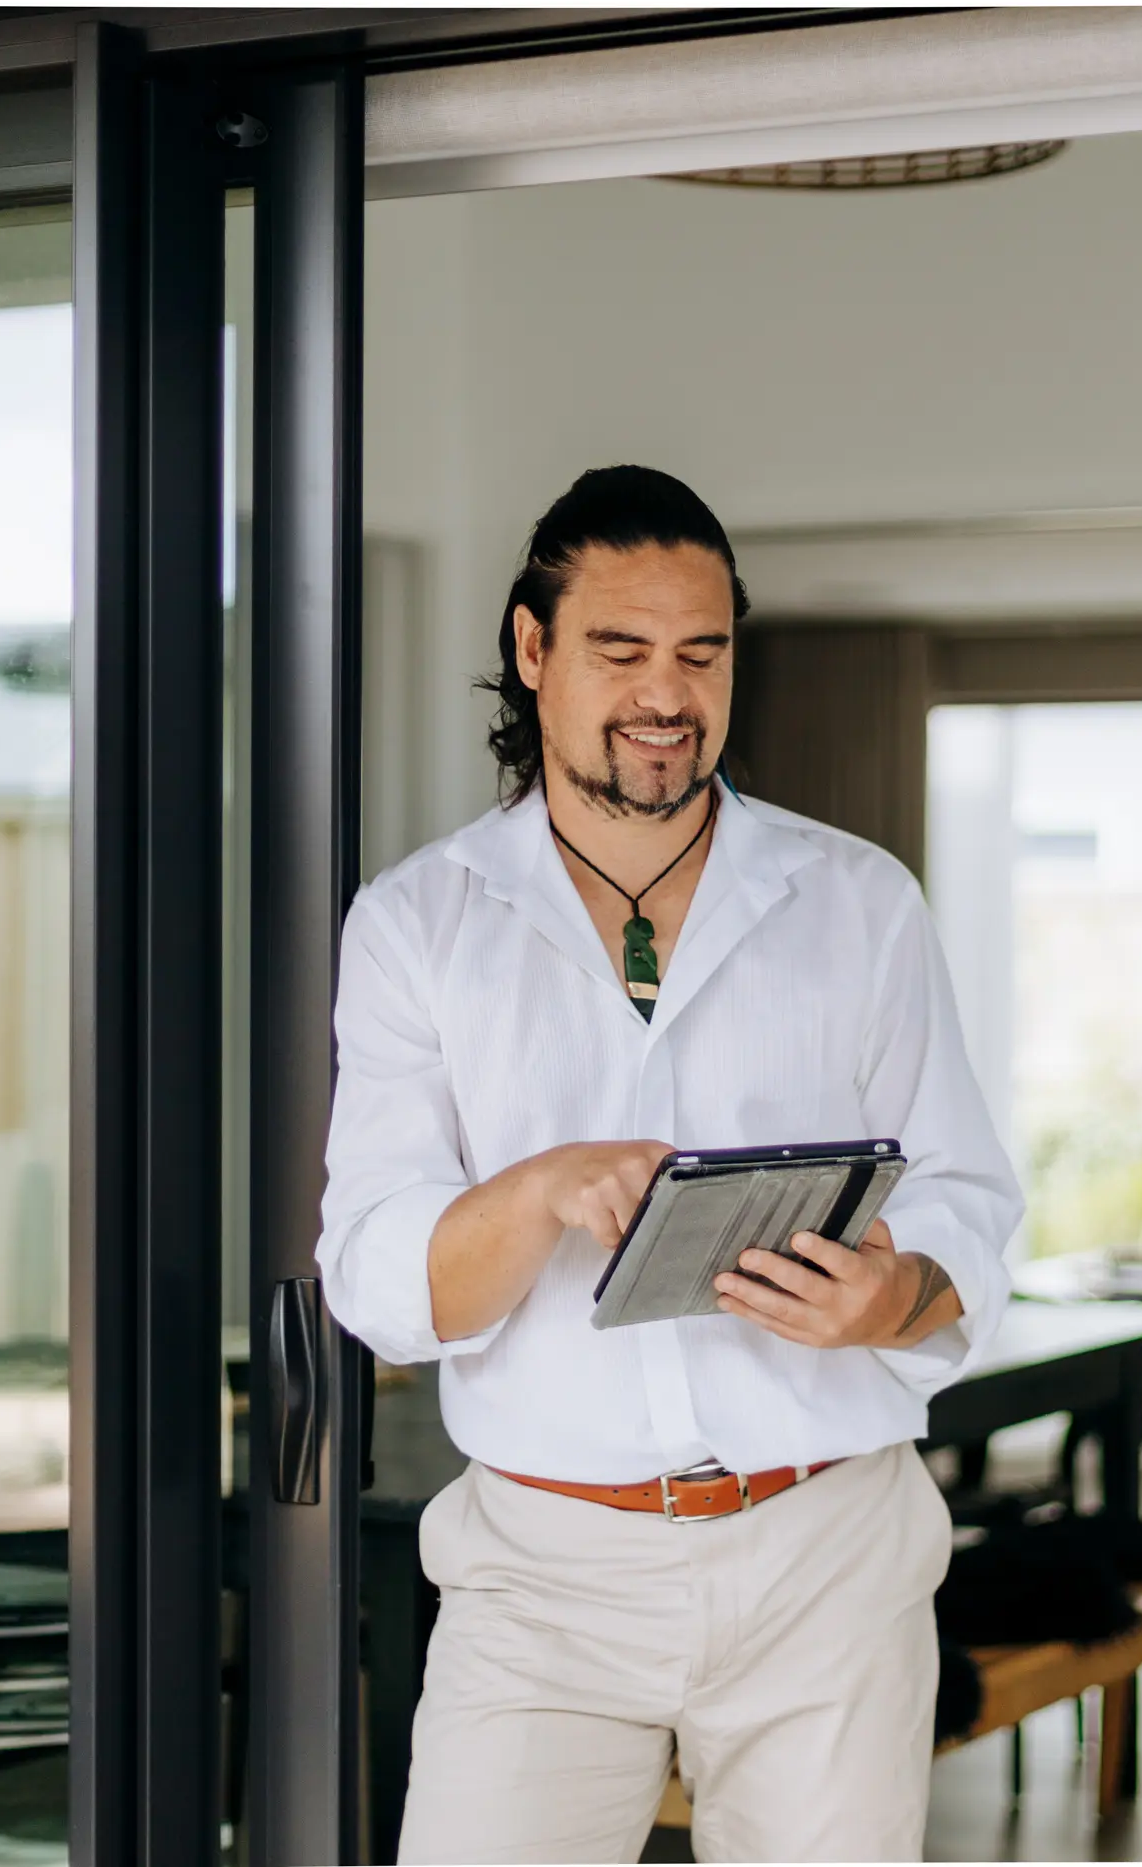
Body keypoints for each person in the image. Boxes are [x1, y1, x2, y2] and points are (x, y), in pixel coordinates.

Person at [315, 464, 1022, 1864]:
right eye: (622, 649)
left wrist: (896, 1294)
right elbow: (377, 1273)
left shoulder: (859, 900)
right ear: (534, 651)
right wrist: (527, 1196)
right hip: (542, 1574)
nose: (666, 692)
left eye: (702, 653)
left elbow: (967, 1198)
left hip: (828, 1550)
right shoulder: (417, 923)